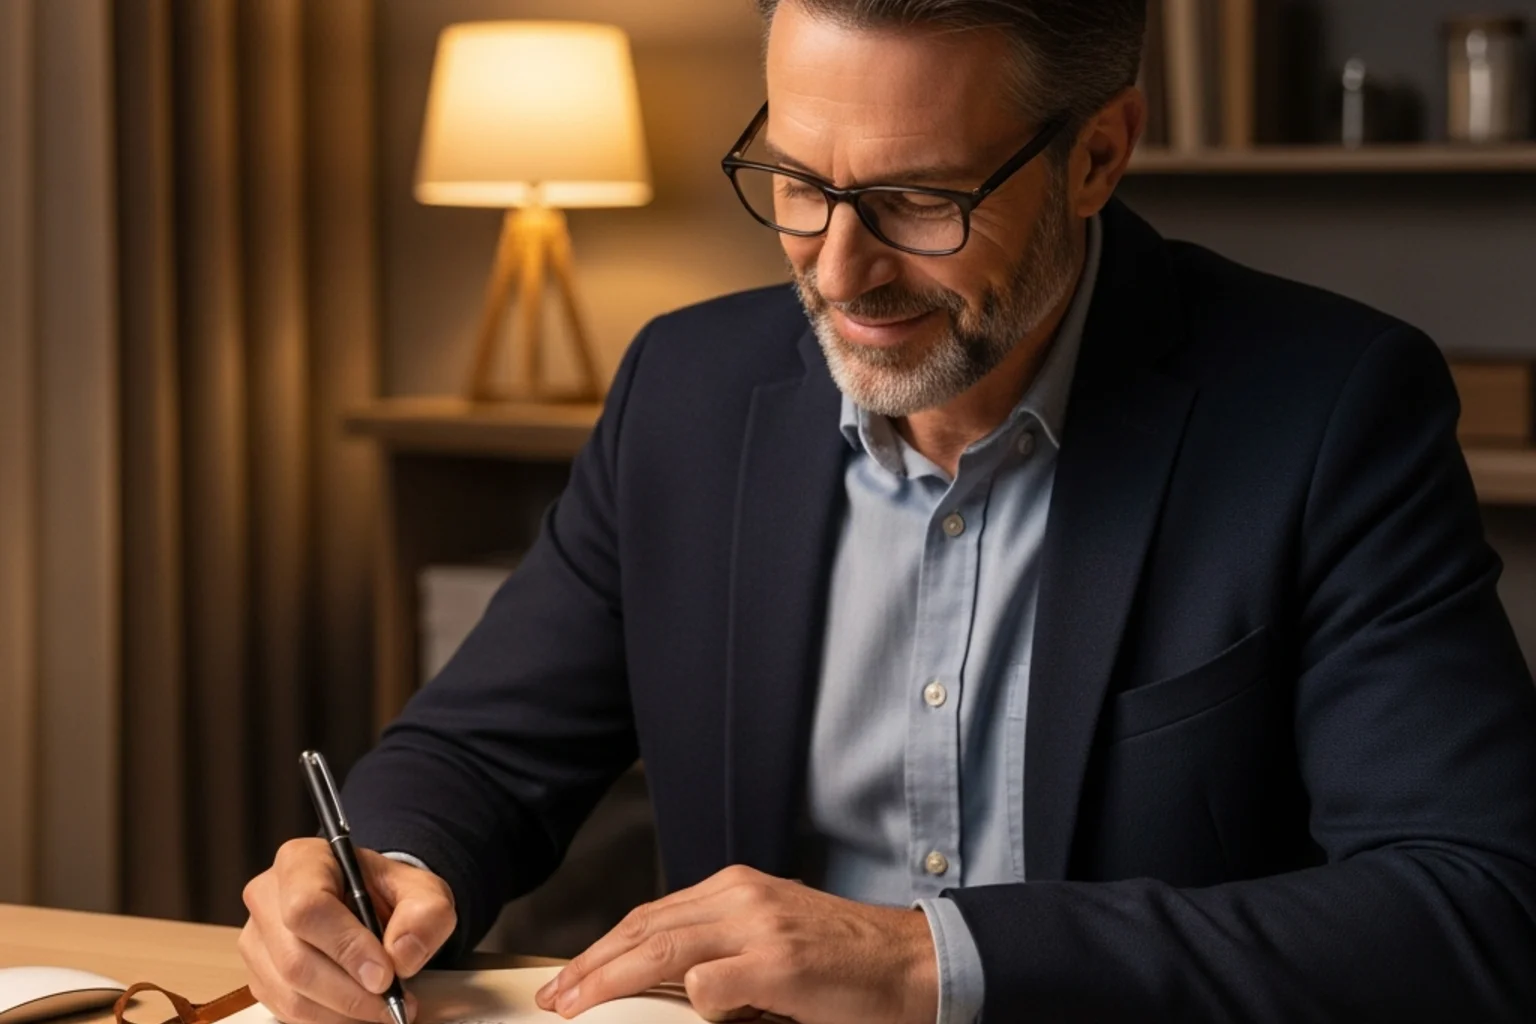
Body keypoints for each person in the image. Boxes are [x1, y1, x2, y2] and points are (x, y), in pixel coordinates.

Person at [238, 1, 1536, 1021]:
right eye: (797, 182)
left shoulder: (1329, 410)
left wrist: (927, 963)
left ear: (1099, 155)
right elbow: (479, 755)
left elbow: (1475, 908)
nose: (840, 271)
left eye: (919, 200)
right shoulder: (685, 389)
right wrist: (391, 869)